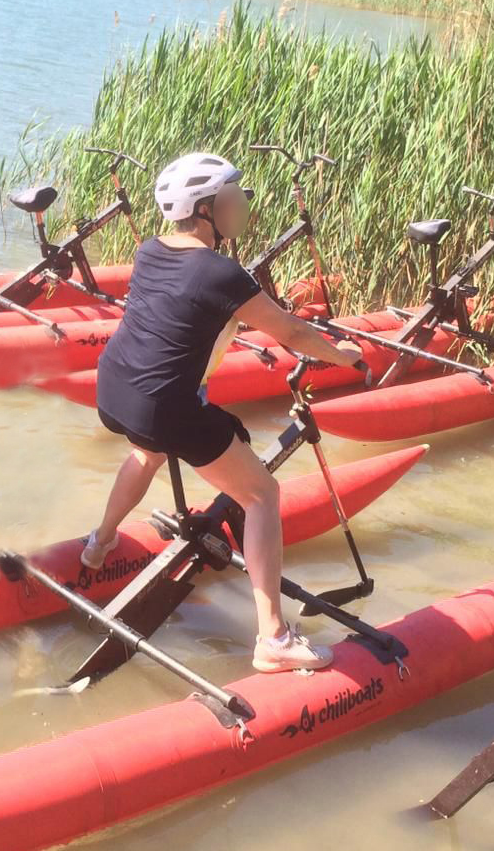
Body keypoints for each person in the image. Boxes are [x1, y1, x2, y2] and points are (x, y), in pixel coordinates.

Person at [84, 151, 363, 674]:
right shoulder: (221, 274)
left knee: (145, 453)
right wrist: (345, 357)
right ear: (208, 209)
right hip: (166, 405)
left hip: (116, 387)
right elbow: (294, 334)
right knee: (261, 495)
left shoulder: (149, 250)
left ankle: (97, 547)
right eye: (236, 198)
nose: (245, 207)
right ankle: (274, 639)